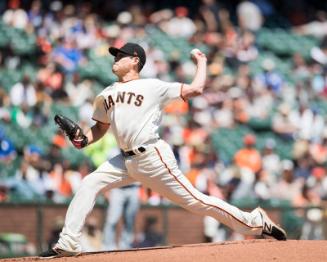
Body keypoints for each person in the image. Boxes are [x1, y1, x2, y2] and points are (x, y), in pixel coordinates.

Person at [39, 42, 286, 258]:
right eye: (115, 55)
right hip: (124, 161)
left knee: (197, 202)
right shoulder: (106, 94)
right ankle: (69, 242)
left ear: (135, 60)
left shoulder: (153, 86)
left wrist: (201, 62)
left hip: (152, 156)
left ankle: (255, 222)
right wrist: (82, 140)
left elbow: (195, 89)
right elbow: (101, 128)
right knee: (89, 184)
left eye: (120, 55)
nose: (115, 58)